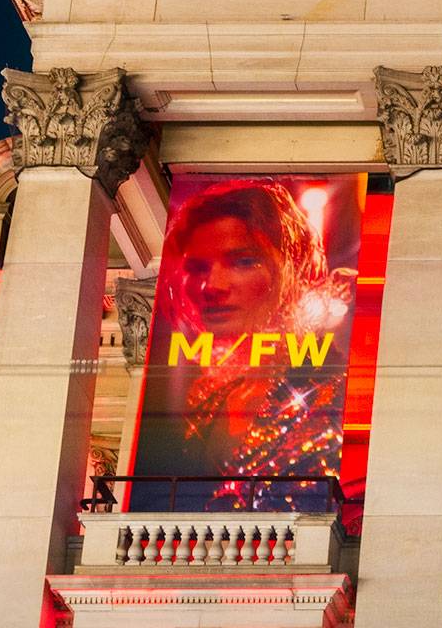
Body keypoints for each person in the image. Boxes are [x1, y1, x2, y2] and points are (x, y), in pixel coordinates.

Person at [152, 179, 355, 510]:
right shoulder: (202, 401)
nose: (211, 286)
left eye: (243, 261)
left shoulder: (327, 387)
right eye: (197, 267)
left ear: (292, 265)